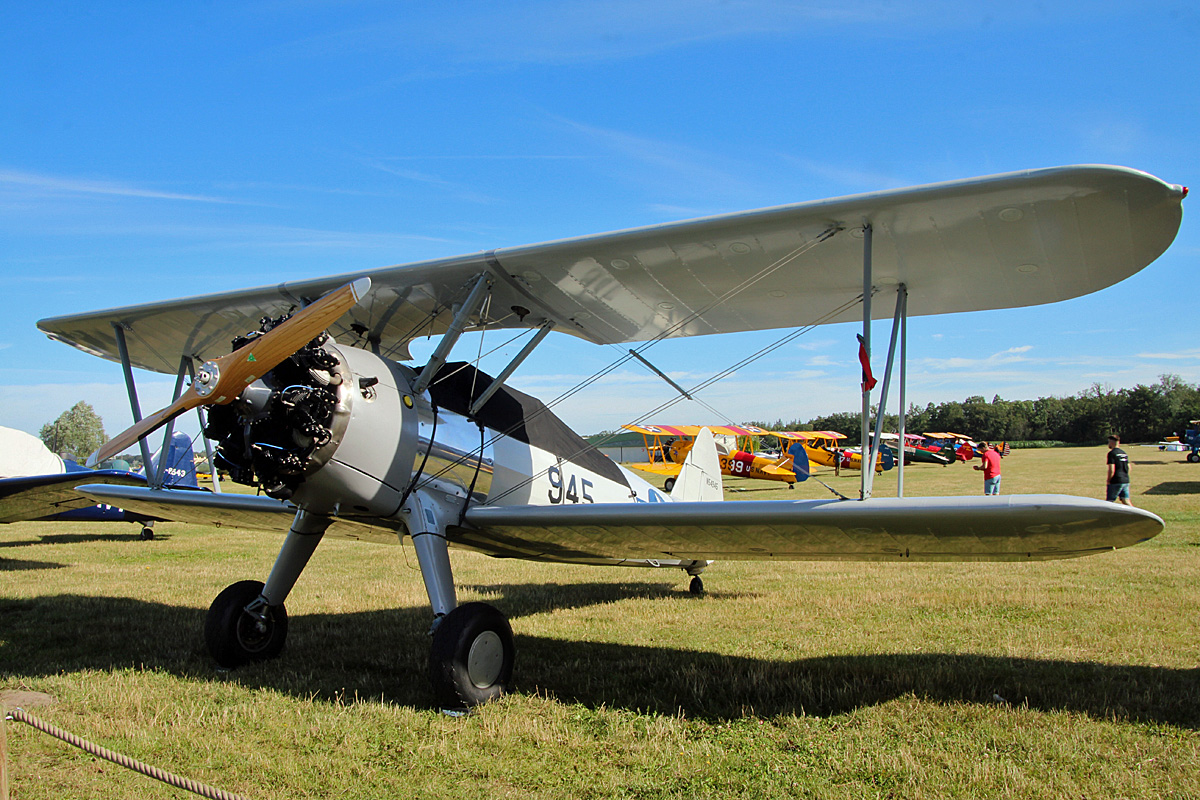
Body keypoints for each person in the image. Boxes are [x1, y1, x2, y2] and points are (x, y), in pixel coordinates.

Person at [1106, 434, 1132, 505]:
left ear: (1112, 442)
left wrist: (1109, 480)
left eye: (1108, 442)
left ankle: (1106, 516)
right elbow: (1129, 467)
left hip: (1116, 481)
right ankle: (1135, 515)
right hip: (1125, 480)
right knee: (1125, 500)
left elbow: (1112, 469)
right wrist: (1125, 476)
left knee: (1109, 502)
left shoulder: (1112, 453)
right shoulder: (1124, 453)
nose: (1108, 444)